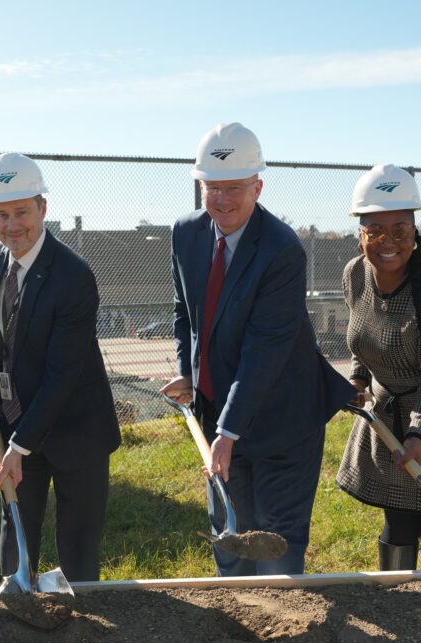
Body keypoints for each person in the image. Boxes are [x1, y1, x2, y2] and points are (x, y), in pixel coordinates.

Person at [162, 123, 355, 576]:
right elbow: (185, 312)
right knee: (231, 546)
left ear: (257, 187)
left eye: (234, 188)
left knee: (275, 547)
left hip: (282, 416)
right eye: (213, 188)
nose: (223, 200)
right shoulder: (186, 234)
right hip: (219, 411)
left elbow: (265, 349)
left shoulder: (280, 250)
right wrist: (188, 373)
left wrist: (227, 433)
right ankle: (238, 636)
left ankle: (288, 637)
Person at [0, 153, 121, 582]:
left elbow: (63, 375)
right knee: (15, 525)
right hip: (22, 418)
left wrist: (18, 447)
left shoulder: (73, 277)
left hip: (77, 429)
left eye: (21, 212)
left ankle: (84, 629)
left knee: (77, 544)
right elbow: (5, 322)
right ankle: (15, 607)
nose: (12, 225)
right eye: (1, 215)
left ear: (43, 208)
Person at [337, 164, 421, 570]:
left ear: (415, 233)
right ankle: (397, 599)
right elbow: (361, 339)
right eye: (376, 231)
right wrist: (359, 377)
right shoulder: (355, 276)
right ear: (360, 235)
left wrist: (419, 430)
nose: (389, 242)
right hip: (389, 421)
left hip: (418, 417)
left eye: (401, 230)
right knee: (401, 517)